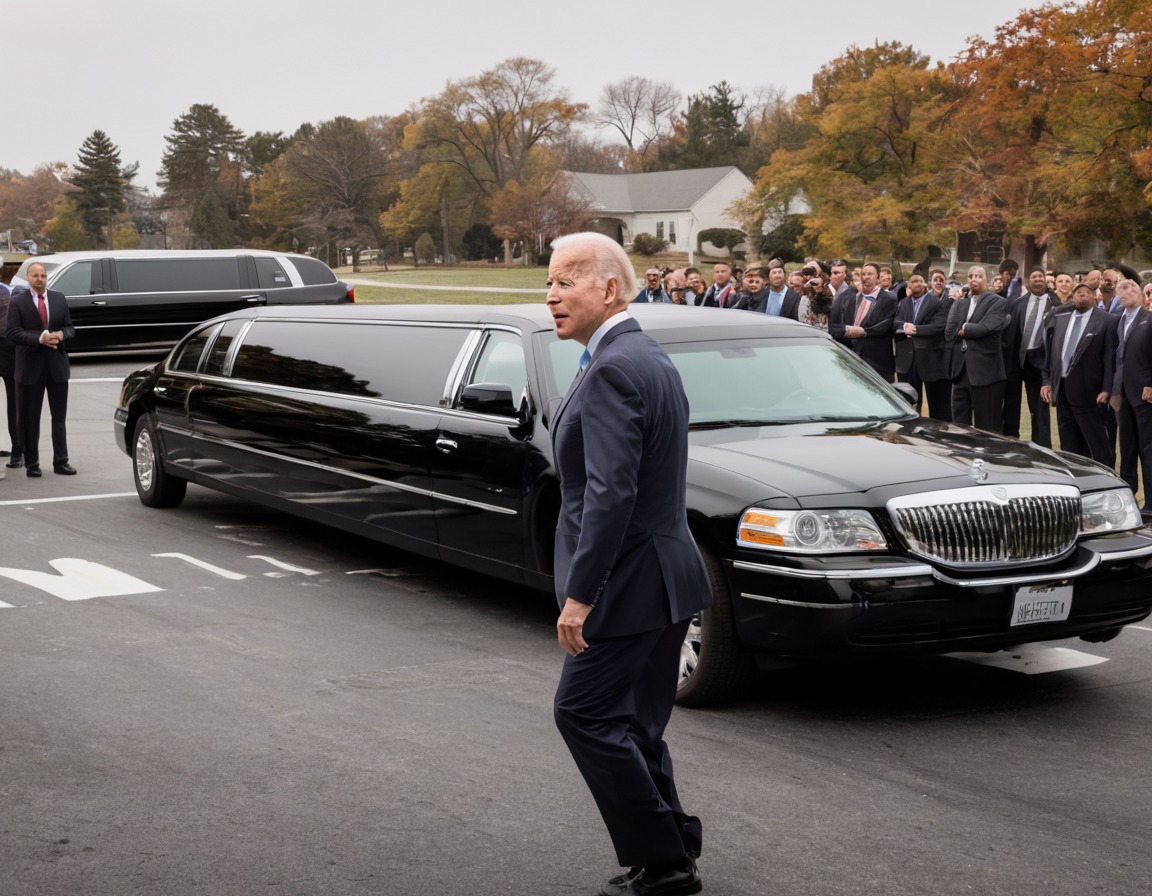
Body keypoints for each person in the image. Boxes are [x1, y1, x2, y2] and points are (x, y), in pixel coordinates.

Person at [547, 231, 711, 896]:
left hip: (627, 582)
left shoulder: (615, 366)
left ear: (608, 287)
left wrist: (581, 594)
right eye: (548, 284)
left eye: (566, 281)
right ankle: (673, 847)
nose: (551, 296)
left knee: (583, 713)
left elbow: (611, 495)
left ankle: (663, 861)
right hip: (664, 576)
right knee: (634, 722)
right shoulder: (644, 355)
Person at [5, 262, 77, 477]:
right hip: (30, 368)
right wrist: (39, 338)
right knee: (30, 418)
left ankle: (61, 461)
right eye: (35, 275)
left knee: (59, 417)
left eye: (43, 275)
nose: (40, 279)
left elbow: (70, 327)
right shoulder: (18, 302)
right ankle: (32, 464)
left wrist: (62, 335)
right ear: (28, 278)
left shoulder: (59, 298)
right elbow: (12, 332)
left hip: (57, 367)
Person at [1040, 283, 1116, 465]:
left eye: (1086, 293)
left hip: (1090, 392)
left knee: (1096, 445)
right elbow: (1051, 354)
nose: (1082, 296)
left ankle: (1105, 481)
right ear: (1073, 297)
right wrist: (1047, 380)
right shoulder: (1062, 318)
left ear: (1094, 297)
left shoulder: (1107, 320)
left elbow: (1109, 357)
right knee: (1068, 444)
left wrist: (1107, 388)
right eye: (1078, 293)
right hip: (1063, 391)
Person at [945, 266, 1009, 432]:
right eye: (971, 276)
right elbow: (949, 332)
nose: (974, 279)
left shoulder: (997, 302)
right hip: (960, 372)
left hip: (986, 374)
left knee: (987, 428)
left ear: (986, 280)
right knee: (959, 427)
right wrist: (957, 302)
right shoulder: (961, 304)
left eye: (979, 276)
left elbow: (983, 329)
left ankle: (989, 458)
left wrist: (964, 328)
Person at [1003, 266, 1060, 447]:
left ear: (1045, 281)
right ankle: (1010, 443)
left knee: (1039, 410)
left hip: (1039, 362)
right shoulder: (1017, 303)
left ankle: (1042, 447)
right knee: (1011, 405)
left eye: (1040, 277)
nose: (1037, 280)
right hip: (1016, 360)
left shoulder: (1055, 304)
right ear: (1028, 281)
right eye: (1034, 277)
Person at [1110, 279, 1151, 498]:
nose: (1129, 292)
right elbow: (1119, 359)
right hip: (1122, 394)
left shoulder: (1149, 319)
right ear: (1118, 297)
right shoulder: (1119, 321)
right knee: (1126, 448)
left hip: (1144, 393)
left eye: (1134, 288)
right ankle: (1128, 495)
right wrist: (1115, 391)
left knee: (1147, 449)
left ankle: (1151, 503)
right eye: (1124, 290)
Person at [894, 273, 952, 420]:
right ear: (909, 287)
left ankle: (940, 434)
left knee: (938, 405)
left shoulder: (935, 302)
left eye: (921, 281)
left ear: (925, 285)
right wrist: (903, 326)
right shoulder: (903, 303)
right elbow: (895, 322)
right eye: (914, 281)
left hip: (931, 357)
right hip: (907, 358)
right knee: (909, 402)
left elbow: (939, 326)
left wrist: (916, 330)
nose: (918, 284)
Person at [831, 262, 898, 381]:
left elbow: (885, 324)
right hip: (852, 358)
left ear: (877, 277)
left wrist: (863, 332)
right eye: (863, 274)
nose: (866, 277)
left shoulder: (889, 299)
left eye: (870, 274)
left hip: (877, 360)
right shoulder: (851, 298)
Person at [0, 273, 20, 470]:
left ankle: (17, 451)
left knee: (14, 404)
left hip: (7, 351)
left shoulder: (7, 293)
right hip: (8, 351)